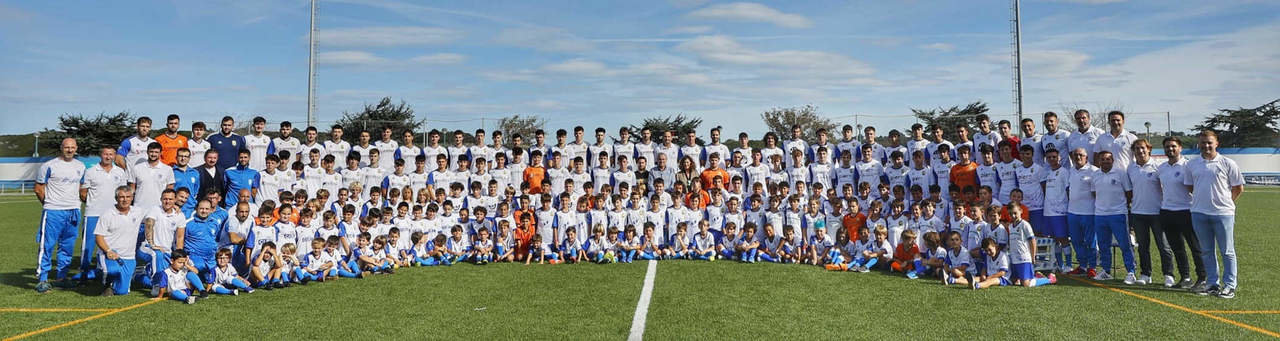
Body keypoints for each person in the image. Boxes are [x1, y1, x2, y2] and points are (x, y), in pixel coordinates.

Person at [1184, 130, 1244, 299]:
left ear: (1217, 143)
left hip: (1223, 213)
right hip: (1198, 213)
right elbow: (1189, 186)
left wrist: (1227, 203)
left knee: (1227, 251)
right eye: (1203, 143)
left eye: (1210, 142)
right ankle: (1212, 284)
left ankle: (1230, 285)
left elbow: (1238, 187)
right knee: (1207, 251)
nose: (1206, 146)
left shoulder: (1227, 163)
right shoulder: (1192, 164)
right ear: (1199, 144)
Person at [34, 138, 86, 292]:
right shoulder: (49, 166)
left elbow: (82, 187)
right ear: (61, 148)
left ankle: (61, 277)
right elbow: (38, 188)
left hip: (74, 210)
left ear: (76, 148)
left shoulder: (81, 166)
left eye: (72, 147)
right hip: (54, 211)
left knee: (67, 246)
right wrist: (49, 204)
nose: (69, 150)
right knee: (47, 245)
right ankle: (42, 278)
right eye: (66, 147)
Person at [1157, 137, 1205, 289]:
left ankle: (1203, 277)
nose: (1170, 149)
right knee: (1177, 248)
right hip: (1167, 212)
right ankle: (1185, 277)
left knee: (1195, 247)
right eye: (1167, 147)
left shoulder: (1188, 166)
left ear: (1180, 148)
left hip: (1186, 211)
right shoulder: (1162, 167)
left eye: (1173, 146)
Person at [75, 146, 128, 282]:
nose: (108, 157)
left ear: (115, 156)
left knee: (112, 243)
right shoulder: (91, 171)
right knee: (88, 245)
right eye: (105, 154)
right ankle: (84, 272)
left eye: (111, 154)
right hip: (93, 213)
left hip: (113, 214)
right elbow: (83, 193)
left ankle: (109, 271)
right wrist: (94, 203)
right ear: (101, 155)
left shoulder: (120, 172)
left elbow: (123, 192)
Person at [1127, 139, 1168, 286]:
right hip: (1138, 213)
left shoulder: (1159, 166)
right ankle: (1145, 274)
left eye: (1143, 148)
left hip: (1157, 212)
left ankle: (1168, 274)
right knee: (1143, 247)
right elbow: (1130, 190)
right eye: (1137, 148)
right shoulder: (1130, 168)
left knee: (1163, 246)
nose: (1140, 151)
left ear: (1149, 149)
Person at [1091, 150, 1136, 283]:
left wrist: (1120, 206)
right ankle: (1106, 271)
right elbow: (1095, 193)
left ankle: (1131, 272)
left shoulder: (1120, 173)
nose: (1105, 161)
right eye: (1102, 159)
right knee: (1103, 245)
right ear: (1099, 161)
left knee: (1125, 244)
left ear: (1113, 160)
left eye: (1108, 159)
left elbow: (1129, 193)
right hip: (1100, 215)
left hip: (1118, 214)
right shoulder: (1095, 175)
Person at [94, 186, 143, 296]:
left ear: (132, 198)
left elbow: (155, 215)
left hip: (129, 256)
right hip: (110, 253)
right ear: (116, 198)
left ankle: (113, 283)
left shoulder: (138, 211)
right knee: (110, 271)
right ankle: (105, 284)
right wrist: (108, 251)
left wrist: (176, 208)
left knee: (122, 292)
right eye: (121, 197)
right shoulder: (108, 214)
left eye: (127, 197)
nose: (125, 200)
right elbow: (98, 236)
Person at [1065, 147, 1098, 278]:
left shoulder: (1094, 171)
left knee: (1090, 241)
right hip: (1072, 212)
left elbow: (1097, 193)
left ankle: (1092, 266)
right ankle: (1082, 265)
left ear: (1086, 157)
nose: (1078, 158)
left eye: (1081, 155)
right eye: (1075, 155)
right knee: (1076, 240)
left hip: (1088, 212)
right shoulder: (1070, 171)